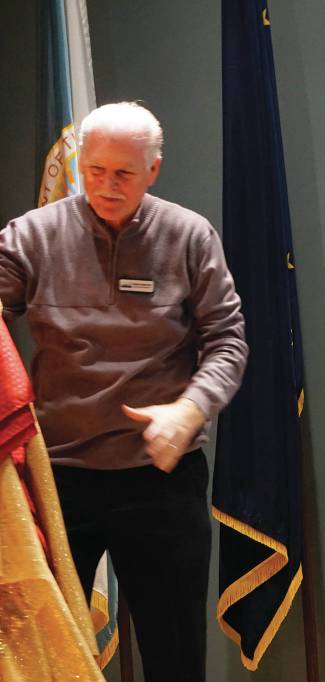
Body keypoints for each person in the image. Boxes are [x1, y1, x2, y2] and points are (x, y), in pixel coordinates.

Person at [0, 101, 248, 681]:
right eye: (94, 170)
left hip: (160, 474)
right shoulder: (31, 236)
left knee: (175, 658)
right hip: (58, 479)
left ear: (153, 169)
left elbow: (228, 341)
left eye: (124, 174)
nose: (106, 186)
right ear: (80, 162)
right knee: (47, 655)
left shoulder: (188, 235)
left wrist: (191, 409)